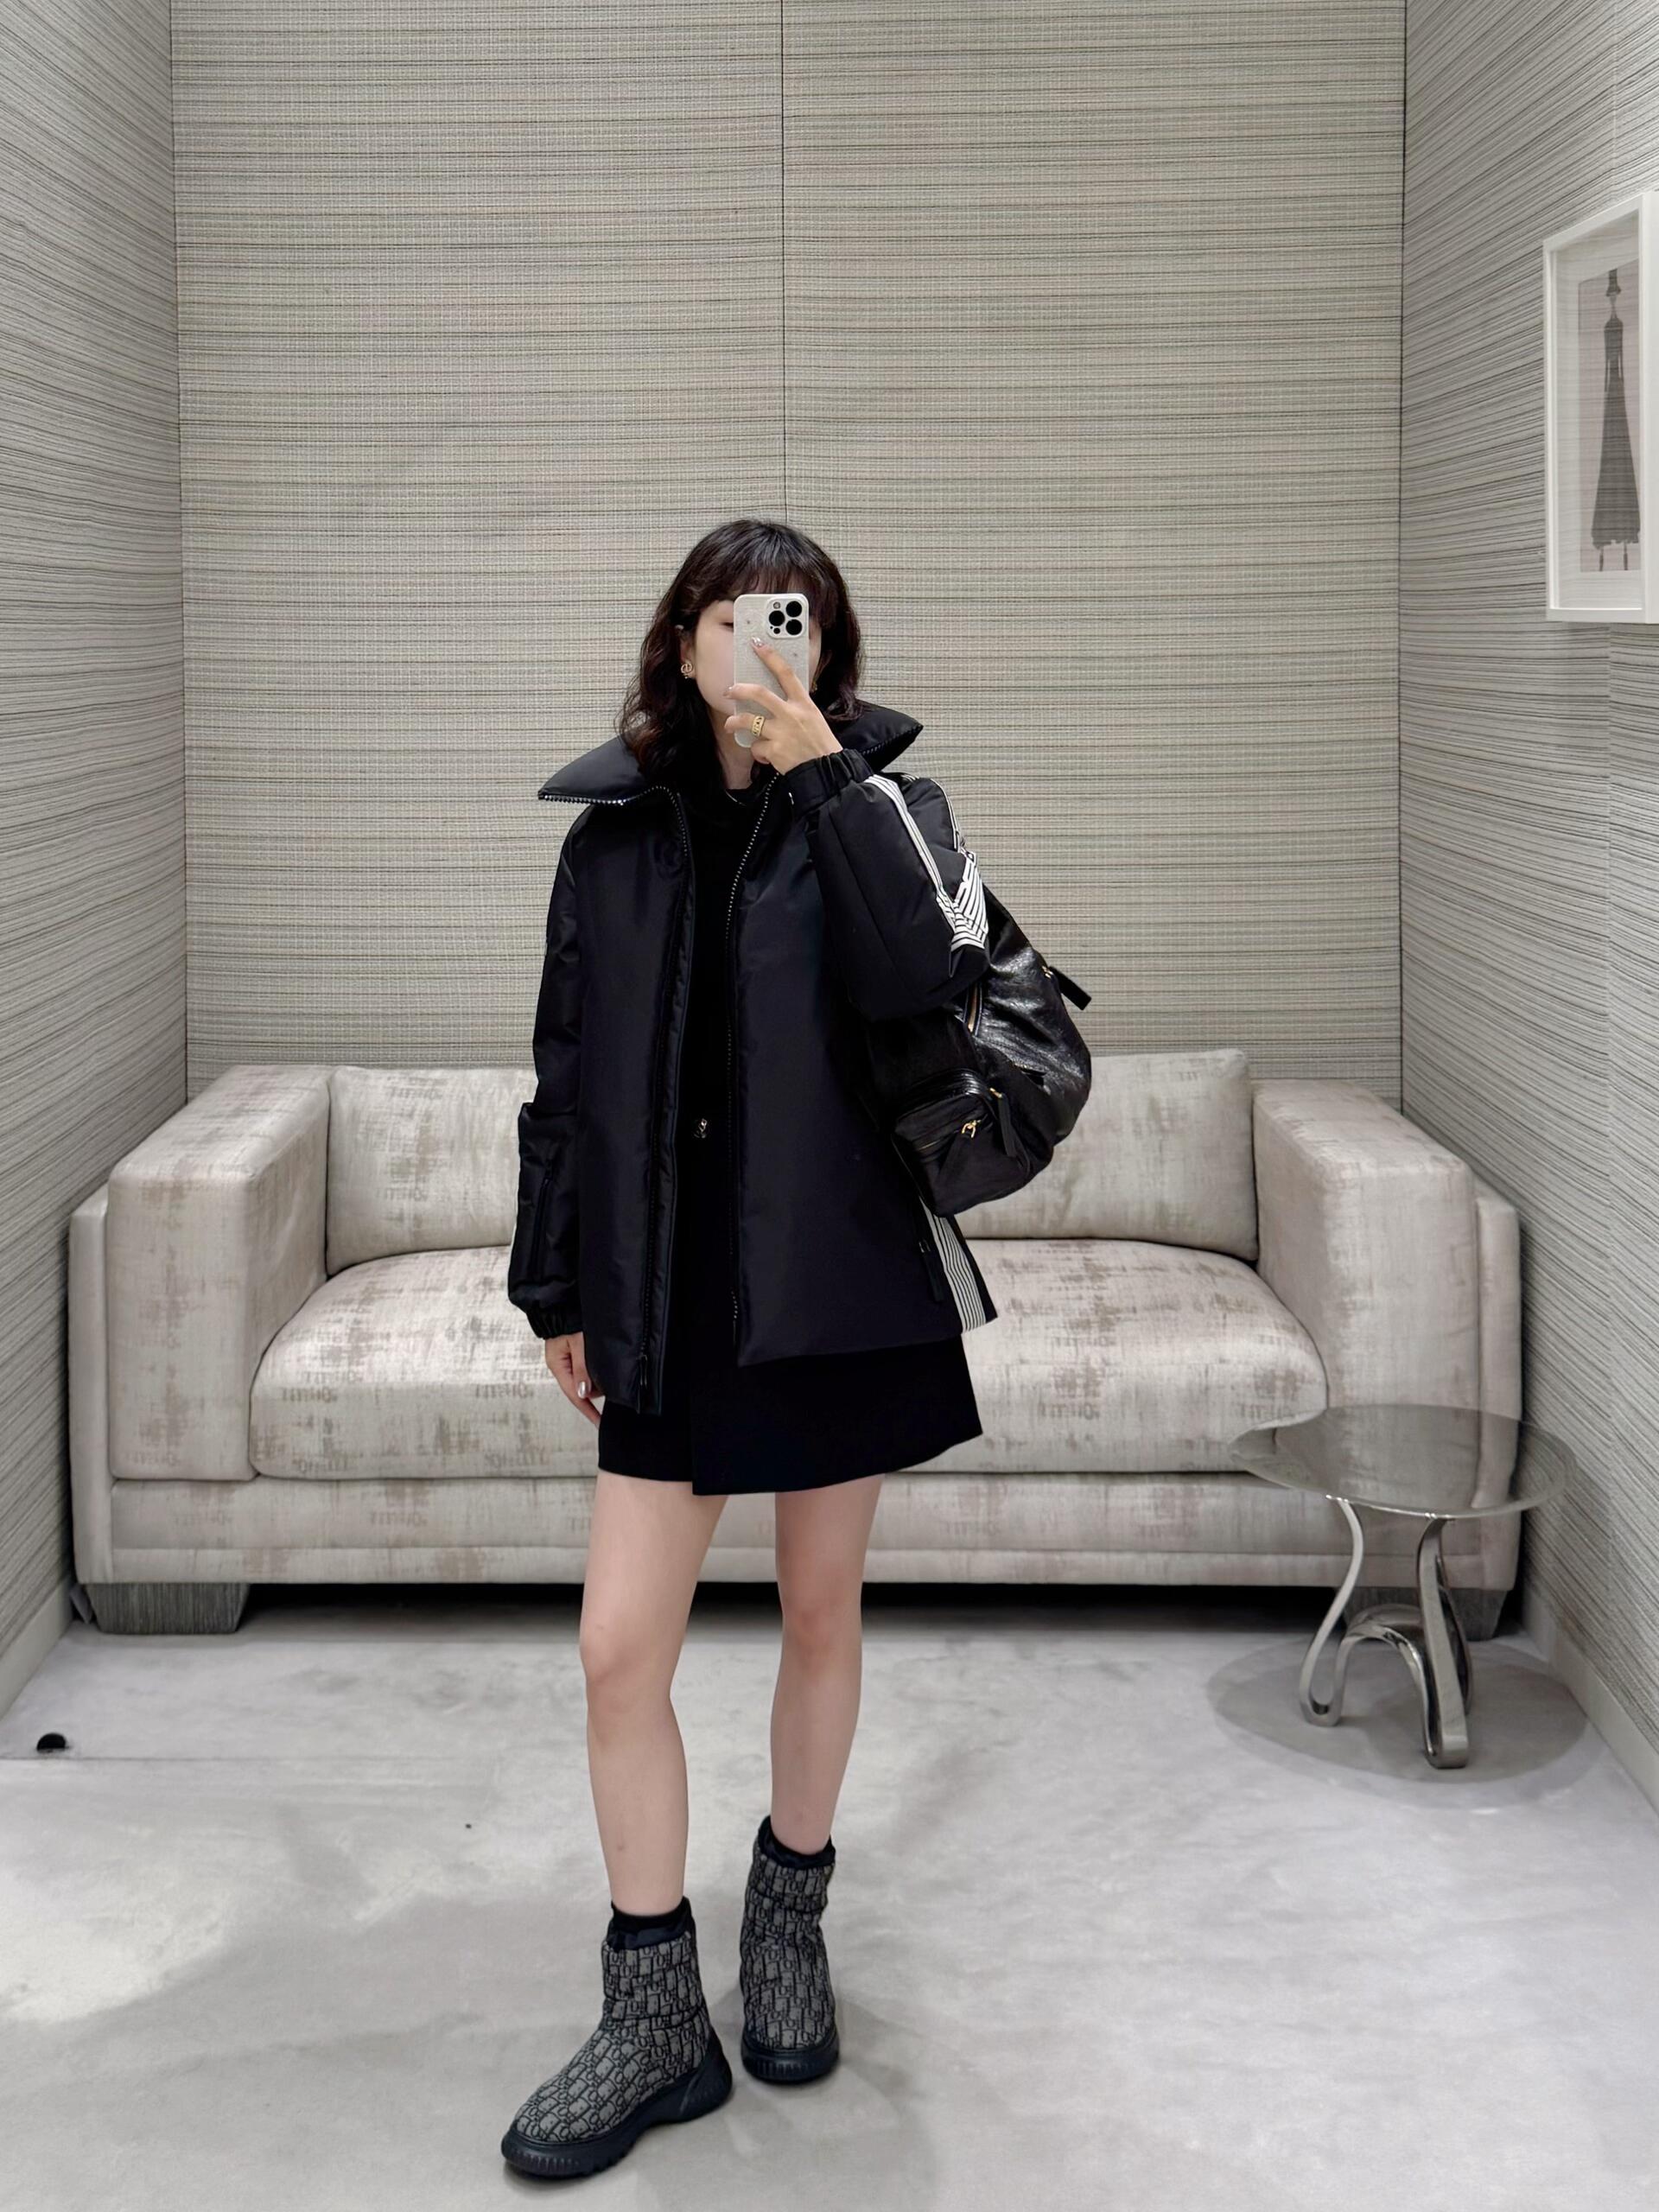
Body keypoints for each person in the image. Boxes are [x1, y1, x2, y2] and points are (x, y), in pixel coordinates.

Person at [500, 519, 998, 2180]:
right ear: (682, 639)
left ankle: (788, 1919)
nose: (756, 648)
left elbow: (929, 978)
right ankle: (655, 2015)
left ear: (826, 648)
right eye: (728, 619)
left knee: (818, 1608)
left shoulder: (889, 810)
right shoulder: (612, 843)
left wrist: (826, 783)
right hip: (664, 1290)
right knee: (616, 1649)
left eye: (791, 622)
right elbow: (565, 1073)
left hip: (832, 1282)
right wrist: (554, 1283)